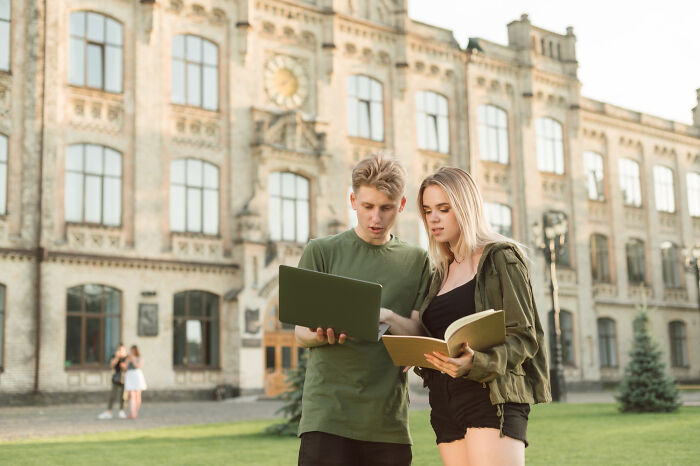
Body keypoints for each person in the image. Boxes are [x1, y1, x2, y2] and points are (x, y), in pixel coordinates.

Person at [383, 167, 551, 466]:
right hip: (445, 403)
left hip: (491, 397)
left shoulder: (500, 257)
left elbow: (526, 337)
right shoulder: (439, 272)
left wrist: (477, 362)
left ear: (465, 207)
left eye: (443, 209)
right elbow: (432, 335)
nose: (433, 218)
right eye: (427, 210)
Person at [294, 155, 432, 466]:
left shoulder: (417, 261)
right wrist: (322, 334)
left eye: (386, 208)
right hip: (327, 416)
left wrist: (388, 316)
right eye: (368, 206)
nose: (376, 218)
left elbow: (419, 338)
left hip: (387, 422)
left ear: (402, 204)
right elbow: (301, 333)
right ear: (353, 200)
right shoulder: (321, 251)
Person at [98, 343, 128, 420]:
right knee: (113, 395)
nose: (119, 351)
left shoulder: (127, 357)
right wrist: (117, 357)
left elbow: (128, 368)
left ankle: (122, 411)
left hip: (125, 378)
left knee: (124, 396)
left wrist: (124, 365)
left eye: (121, 349)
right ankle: (109, 412)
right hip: (116, 378)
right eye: (118, 349)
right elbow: (111, 366)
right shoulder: (115, 357)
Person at [124, 345, 147, 419]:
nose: (131, 352)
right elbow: (125, 367)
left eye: (132, 351)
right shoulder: (128, 358)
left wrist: (133, 359)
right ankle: (132, 412)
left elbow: (138, 366)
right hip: (130, 375)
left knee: (138, 395)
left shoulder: (139, 358)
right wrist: (127, 361)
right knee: (131, 395)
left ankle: (135, 411)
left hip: (137, 375)